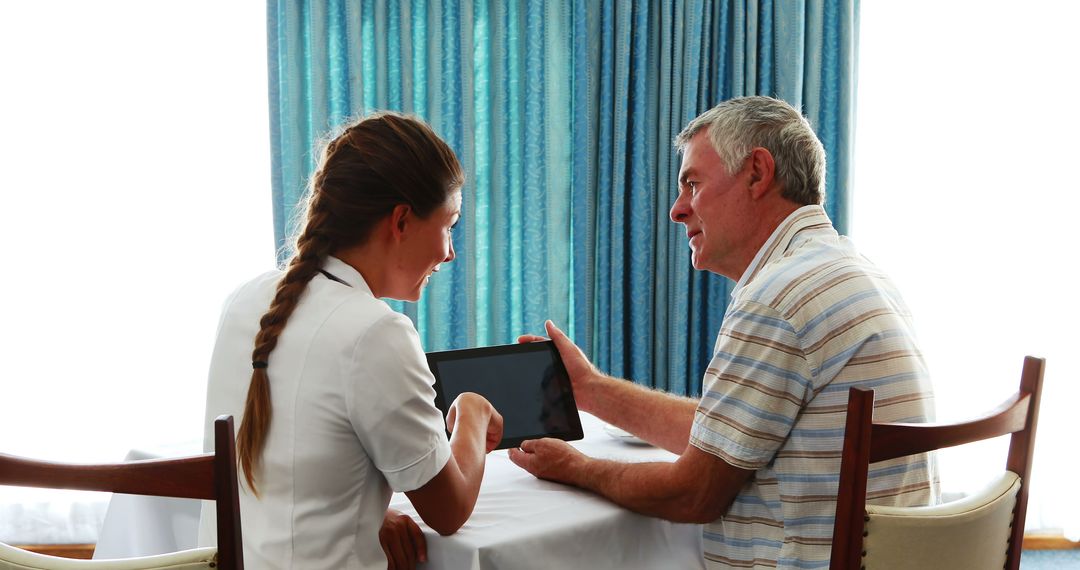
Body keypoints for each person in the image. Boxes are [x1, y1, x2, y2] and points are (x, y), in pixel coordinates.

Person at [509, 96, 937, 569]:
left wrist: (576, 468)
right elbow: (725, 435)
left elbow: (694, 495)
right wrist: (590, 389)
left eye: (692, 183)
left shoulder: (777, 296)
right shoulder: (849, 271)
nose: (676, 210)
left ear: (757, 172)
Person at [197, 112, 504, 569]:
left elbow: (289, 465)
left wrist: (366, 515)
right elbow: (448, 510)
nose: (449, 252)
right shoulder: (377, 333)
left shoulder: (243, 299)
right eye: (449, 225)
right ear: (401, 221)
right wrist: (473, 416)